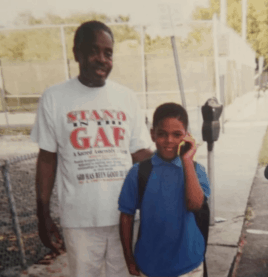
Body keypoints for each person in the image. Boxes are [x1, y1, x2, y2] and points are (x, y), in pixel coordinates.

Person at [31, 20, 153, 277]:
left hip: (126, 215)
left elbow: (140, 154)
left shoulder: (126, 97)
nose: (101, 59)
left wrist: (177, 166)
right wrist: (43, 214)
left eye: (108, 53)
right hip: (80, 220)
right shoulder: (54, 97)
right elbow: (47, 159)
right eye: (93, 51)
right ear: (77, 53)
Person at [118, 102, 211, 277]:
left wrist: (187, 161)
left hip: (189, 266)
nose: (169, 141)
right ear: (152, 134)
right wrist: (128, 258)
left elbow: (195, 204)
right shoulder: (139, 172)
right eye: (162, 134)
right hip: (150, 266)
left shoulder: (196, 170)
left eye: (177, 135)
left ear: (186, 136)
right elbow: (126, 216)